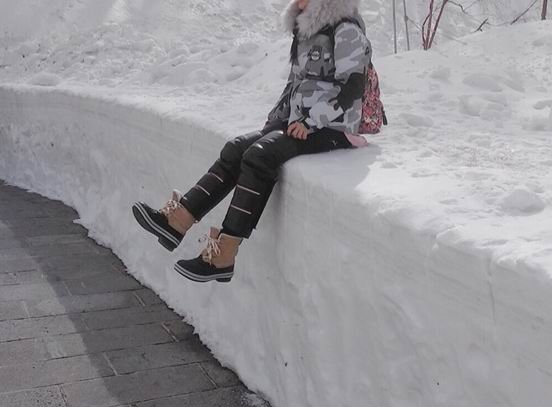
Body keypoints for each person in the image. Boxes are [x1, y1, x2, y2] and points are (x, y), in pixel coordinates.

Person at [132, 0, 372, 283]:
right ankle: (177, 222)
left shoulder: (346, 29)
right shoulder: (306, 27)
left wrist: (311, 121)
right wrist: (276, 120)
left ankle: (224, 255)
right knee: (237, 147)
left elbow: (353, 87)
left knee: (260, 155)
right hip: (298, 122)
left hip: (333, 127)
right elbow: (296, 83)